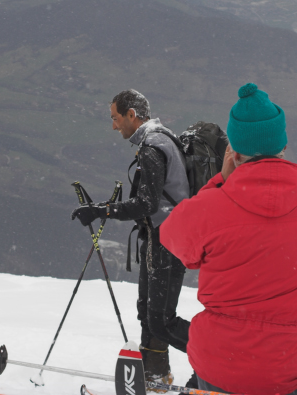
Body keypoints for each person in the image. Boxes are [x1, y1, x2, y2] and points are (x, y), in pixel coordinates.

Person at [160, 78, 297, 395]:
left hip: (219, 363)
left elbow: (174, 238)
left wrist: (221, 182)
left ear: (235, 150)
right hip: (282, 369)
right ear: (282, 146)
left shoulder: (212, 207)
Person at [71, 89, 191, 391]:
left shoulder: (152, 146)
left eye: (115, 118)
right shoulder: (162, 138)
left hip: (168, 239)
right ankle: (155, 376)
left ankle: (225, 360)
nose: (114, 126)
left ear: (131, 115)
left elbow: (147, 204)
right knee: (147, 312)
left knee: (161, 319)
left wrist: (103, 210)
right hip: (164, 236)